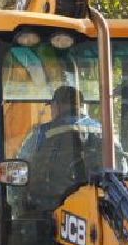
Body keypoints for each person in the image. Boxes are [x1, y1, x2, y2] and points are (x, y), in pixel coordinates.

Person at [18, 84, 101, 213]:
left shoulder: (42, 133)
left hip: (51, 208)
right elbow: (122, 166)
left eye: (51, 106)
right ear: (82, 105)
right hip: (97, 204)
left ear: (56, 105)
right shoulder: (104, 130)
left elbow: (21, 166)